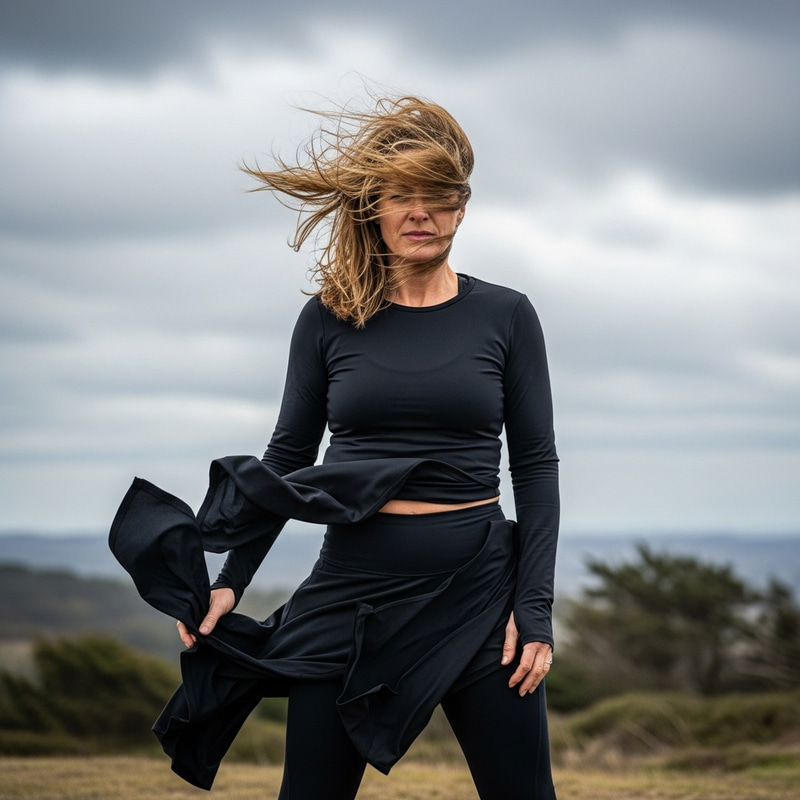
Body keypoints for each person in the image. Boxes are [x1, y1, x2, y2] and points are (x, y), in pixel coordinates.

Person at [172, 95, 559, 799]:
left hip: (476, 593)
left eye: (438, 196)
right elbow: (286, 457)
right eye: (401, 196)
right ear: (372, 208)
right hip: (350, 594)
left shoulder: (507, 314)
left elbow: (535, 467)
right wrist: (231, 580)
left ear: (462, 207)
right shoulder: (327, 320)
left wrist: (533, 610)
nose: (421, 212)